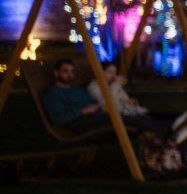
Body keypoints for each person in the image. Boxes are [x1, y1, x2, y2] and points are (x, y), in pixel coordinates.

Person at [42, 58, 170, 137]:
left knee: (129, 116)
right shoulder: (53, 94)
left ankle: (167, 126)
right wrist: (83, 111)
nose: (70, 75)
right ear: (56, 73)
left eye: (71, 71)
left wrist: (99, 107)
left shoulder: (78, 90)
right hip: (81, 122)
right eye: (65, 71)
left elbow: (97, 103)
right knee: (123, 119)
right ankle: (165, 130)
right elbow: (58, 118)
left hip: (97, 114)